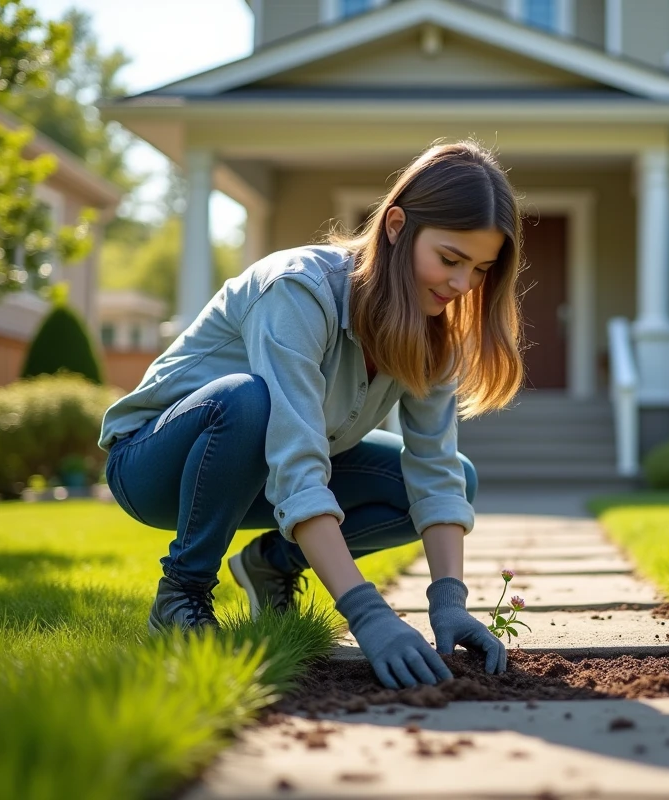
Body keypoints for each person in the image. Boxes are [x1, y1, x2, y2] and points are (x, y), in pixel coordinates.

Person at [98, 139, 525, 691]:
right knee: (248, 400)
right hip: (158, 467)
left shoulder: (433, 328)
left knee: (459, 479)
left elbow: (436, 471)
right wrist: (368, 614)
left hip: (265, 476)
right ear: (396, 226)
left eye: (480, 268)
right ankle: (181, 593)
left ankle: (274, 564)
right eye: (450, 259)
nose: (462, 285)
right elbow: (297, 461)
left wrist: (449, 600)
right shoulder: (299, 289)